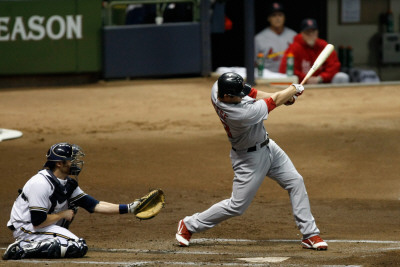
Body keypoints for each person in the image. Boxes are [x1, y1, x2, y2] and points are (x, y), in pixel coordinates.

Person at [175, 72, 328, 251]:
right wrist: (293, 89)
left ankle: (309, 234)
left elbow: (254, 93)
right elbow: (273, 101)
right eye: (237, 96)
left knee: (296, 181)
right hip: (249, 159)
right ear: (226, 97)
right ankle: (189, 224)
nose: (242, 98)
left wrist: (287, 96)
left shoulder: (218, 87)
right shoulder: (240, 115)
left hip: (269, 146)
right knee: (237, 206)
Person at [3, 143, 142, 260]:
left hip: (41, 225)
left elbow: (95, 205)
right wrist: (62, 215)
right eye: (71, 159)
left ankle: (38, 242)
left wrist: (130, 208)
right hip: (27, 227)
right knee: (78, 246)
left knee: (73, 232)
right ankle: (23, 247)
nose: (75, 163)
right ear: (59, 163)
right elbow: (38, 220)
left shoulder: (66, 183)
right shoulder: (40, 183)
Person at [279, 18, 349, 84]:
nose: (311, 35)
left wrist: (320, 78)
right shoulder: (294, 48)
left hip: (322, 81)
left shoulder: (323, 46)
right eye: (308, 32)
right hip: (300, 84)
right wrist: (305, 79)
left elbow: (334, 66)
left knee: (342, 77)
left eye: (313, 32)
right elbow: (286, 69)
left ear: (317, 32)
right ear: (302, 33)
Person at [254, 2, 296, 73]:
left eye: (280, 15)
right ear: (268, 18)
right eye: (274, 15)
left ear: (284, 17)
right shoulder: (258, 38)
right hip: (267, 78)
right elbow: (255, 64)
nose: (277, 18)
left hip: (289, 77)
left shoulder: (294, 36)